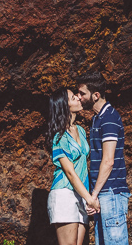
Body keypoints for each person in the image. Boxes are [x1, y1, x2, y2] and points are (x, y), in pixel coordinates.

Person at [77, 73, 129, 245]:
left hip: (111, 193)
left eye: (82, 93)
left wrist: (94, 195)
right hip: (103, 193)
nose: (79, 97)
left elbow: (108, 161)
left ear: (96, 95)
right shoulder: (96, 120)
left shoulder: (109, 118)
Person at [46, 88, 96, 245]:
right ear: (64, 106)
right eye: (73, 97)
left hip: (80, 195)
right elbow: (69, 172)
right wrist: (90, 199)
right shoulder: (59, 136)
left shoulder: (80, 130)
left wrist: (86, 197)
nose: (78, 99)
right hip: (64, 194)